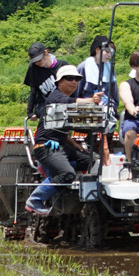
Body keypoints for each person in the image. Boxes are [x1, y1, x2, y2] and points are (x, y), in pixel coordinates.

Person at [25, 66, 96, 213]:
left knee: (91, 160)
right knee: (67, 174)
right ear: (59, 81)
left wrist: (76, 145)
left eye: (77, 79)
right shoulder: (56, 97)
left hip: (60, 146)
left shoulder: (63, 101)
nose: (74, 82)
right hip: (45, 146)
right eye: (69, 78)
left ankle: (56, 169)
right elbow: (71, 101)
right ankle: (35, 200)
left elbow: (61, 131)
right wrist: (91, 100)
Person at [22, 42, 64, 118]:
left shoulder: (62, 66)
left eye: (38, 60)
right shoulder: (33, 67)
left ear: (45, 52)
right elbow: (33, 90)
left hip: (61, 105)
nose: (37, 63)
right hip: (43, 106)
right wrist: (30, 112)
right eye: (34, 61)